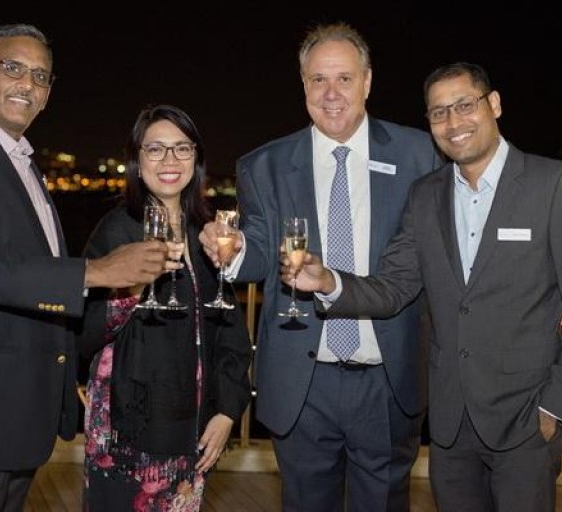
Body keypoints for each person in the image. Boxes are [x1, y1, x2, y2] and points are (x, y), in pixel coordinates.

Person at [284, 61, 562, 512]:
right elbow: (395, 288)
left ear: (493, 104)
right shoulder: (425, 195)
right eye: (438, 113)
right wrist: (328, 282)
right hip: (449, 423)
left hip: (526, 420)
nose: (453, 122)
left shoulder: (553, 183)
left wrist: (556, 406)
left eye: (464, 105)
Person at [0, 24, 171, 511]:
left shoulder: (23, 165)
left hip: (17, 421)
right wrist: (94, 272)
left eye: (42, 76)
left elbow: (30, 287)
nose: (28, 84)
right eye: (14, 68)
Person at [199, 21, 441, 510]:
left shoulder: (423, 155)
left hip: (388, 378)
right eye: (317, 80)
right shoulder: (263, 165)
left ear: (368, 81)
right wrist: (233, 250)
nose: (331, 94)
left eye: (345, 79)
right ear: (303, 84)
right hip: (302, 383)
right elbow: (261, 252)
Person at [75, 104, 252, 511]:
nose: (170, 160)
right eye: (155, 149)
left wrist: (227, 412)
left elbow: (230, 332)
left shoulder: (206, 236)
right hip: (128, 432)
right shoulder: (117, 230)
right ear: (137, 161)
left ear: (197, 159)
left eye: (182, 149)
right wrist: (132, 287)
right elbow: (83, 334)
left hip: (193, 428)